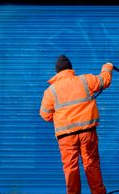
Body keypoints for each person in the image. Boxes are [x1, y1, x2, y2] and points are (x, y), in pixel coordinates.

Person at [40, 55, 113, 194]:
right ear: (71, 69)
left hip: (66, 137)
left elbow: (45, 114)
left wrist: (61, 119)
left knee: (70, 169)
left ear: (57, 72)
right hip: (87, 133)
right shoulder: (85, 80)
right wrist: (107, 67)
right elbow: (104, 81)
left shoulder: (51, 91)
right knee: (91, 165)